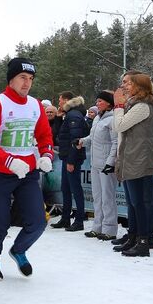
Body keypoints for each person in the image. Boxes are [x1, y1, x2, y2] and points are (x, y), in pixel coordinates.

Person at [0, 58, 54, 280]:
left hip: (27, 173)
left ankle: (19, 250)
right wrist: (8, 160)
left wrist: (46, 154)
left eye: (30, 78)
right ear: (11, 79)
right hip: (0, 173)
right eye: (22, 77)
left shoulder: (35, 105)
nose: (27, 83)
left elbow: (44, 135)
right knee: (0, 223)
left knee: (38, 222)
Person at [112, 72, 153, 257]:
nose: (123, 87)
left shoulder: (142, 106)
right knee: (132, 203)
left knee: (140, 203)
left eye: (127, 83)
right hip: (130, 158)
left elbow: (119, 126)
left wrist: (117, 105)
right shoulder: (133, 105)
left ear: (139, 86)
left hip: (140, 160)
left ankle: (143, 241)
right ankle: (133, 236)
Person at [78, 90, 118, 240]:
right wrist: (82, 141)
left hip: (106, 164)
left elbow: (116, 142)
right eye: (97, 100)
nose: (97, 103)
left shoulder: (113, 119)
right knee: (97, 196)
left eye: (100, 101)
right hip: (95, 163)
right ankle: (97, 226)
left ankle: (110, 229)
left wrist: (110, 162)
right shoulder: (97, 119)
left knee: (107, 197)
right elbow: (92, 137)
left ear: (108, 103)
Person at [51, 91, 87, 231]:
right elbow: (61, 135)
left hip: (72, 158)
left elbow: (75, 139)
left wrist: (71, 161)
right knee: (65, 188)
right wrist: (59, 119)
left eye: (60, 100)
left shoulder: (74, 115)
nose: (59, 103)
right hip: (67, 157)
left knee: (75, 188)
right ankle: (65, 218)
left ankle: (79, 220)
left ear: (66, 100)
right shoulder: (69, 115)